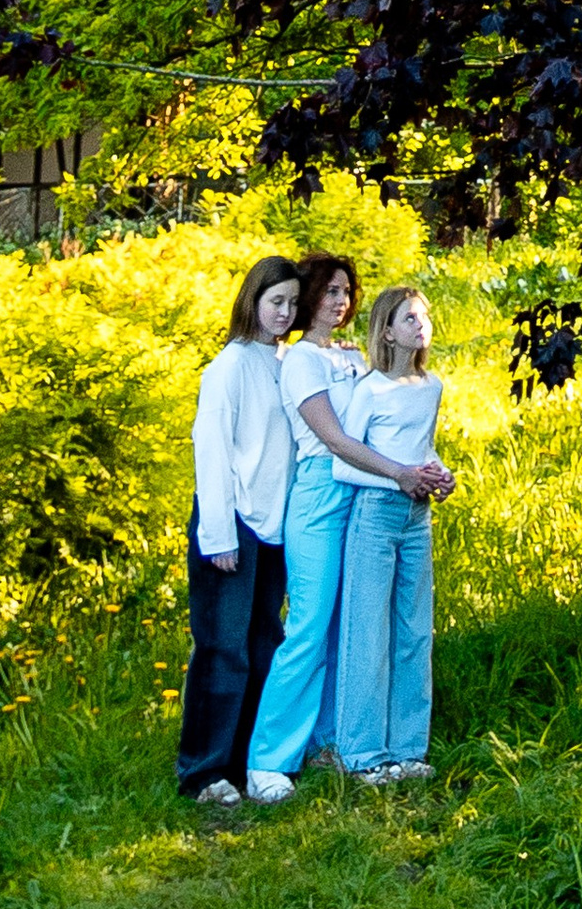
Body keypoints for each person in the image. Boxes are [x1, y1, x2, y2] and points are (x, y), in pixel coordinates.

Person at [242, 255, 449, 804]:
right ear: (310, 297)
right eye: (330, 292)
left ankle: (329, 742)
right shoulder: (302, 361)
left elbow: (389, 416)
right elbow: (335, 440)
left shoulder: (351, 356)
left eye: (347, 292)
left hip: (365, 495)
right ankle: (267, 760)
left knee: (345, 626)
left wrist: (419, 471)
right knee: (309, 623)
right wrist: (402, 474)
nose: (340, 302)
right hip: (319, 494)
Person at [176, 252, 301, 805]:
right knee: (222, 650)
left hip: (276, 528)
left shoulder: (288, 362)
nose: (285, 313)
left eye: (294, 304)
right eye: (277, 302)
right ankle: (204, 774)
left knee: (264, 646)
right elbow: (212, 450)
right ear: (252, 300)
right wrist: (220, 536)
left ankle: (253, 763)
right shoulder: (229, 366)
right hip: (232, 527)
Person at [332, 284, 451, 785]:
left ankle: (408, 749)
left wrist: (439, 474)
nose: (418, 326)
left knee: (414, 631)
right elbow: (345, 464)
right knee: (368, 633)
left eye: (423, 317)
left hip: (416, 519)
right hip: (375, 516)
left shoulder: (431, 387)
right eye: (408, 319)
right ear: (386, 330)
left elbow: (423, 448)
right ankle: (362, 754)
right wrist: (399, 475)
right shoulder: (370, 389)